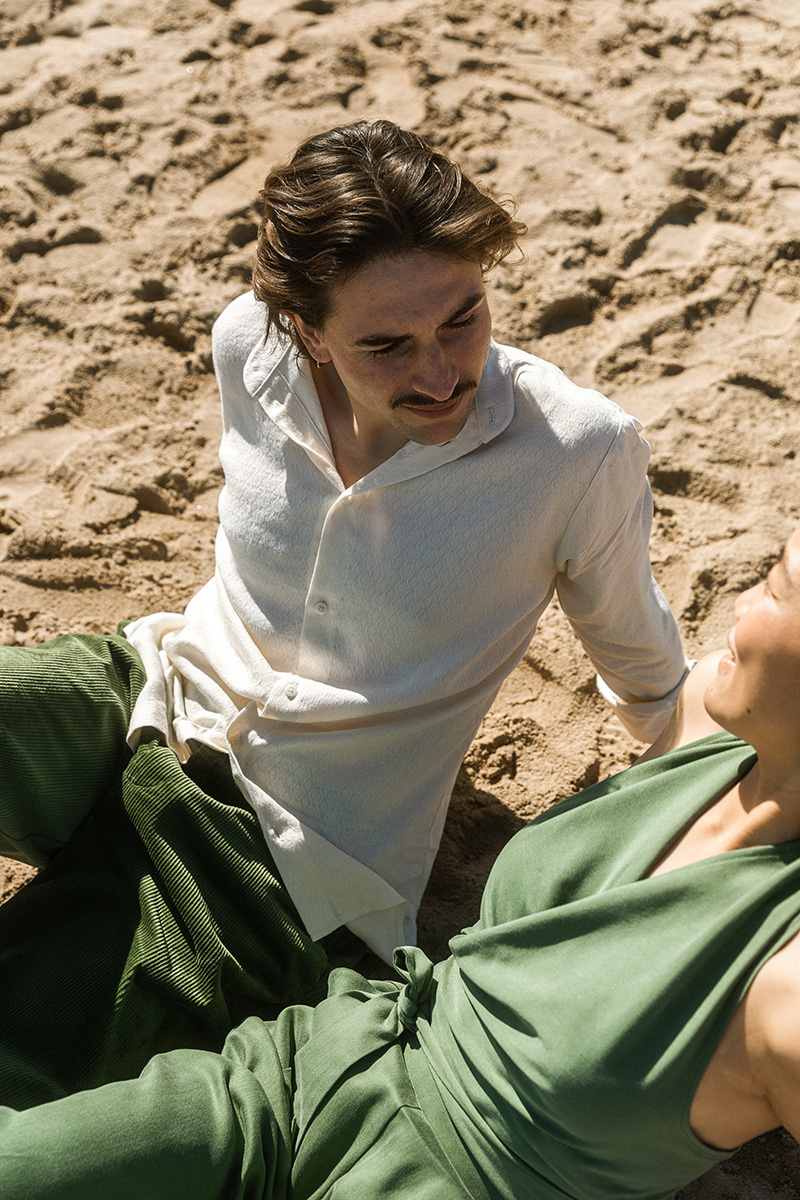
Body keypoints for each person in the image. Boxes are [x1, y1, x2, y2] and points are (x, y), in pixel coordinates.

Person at [0, 119, 687, 1110]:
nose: (440, 370)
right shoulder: (248, 345)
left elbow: (645, 669)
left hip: (285, 857)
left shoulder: (573, 452)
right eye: (385, 344)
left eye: (462, 317)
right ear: (306, 330)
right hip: (147, 694)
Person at [1, 530, 798, 1200]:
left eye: (778, 586)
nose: (741, 603)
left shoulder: (787, 992)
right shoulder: (714, 725)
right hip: (306, 1071)